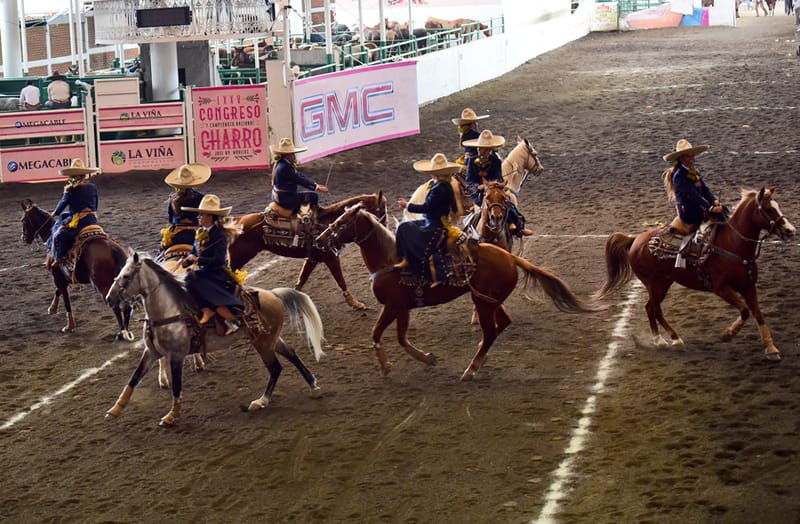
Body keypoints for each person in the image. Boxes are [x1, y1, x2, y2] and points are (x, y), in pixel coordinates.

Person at [181, 194, 243, 335]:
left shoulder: (220, 235)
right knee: (188, 278)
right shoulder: (200, 232)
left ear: (210, 216)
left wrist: (198, 260)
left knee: (191, 279)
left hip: (218, 273)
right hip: (205, 272)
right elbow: (193, 251)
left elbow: (219, 260)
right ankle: (206, 310)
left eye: (201, 215)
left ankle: (228, 318)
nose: (198, 217)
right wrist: (186, 261)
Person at [396, 153, 462, 284]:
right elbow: (454, 207)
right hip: (435, 221)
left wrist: (407, 205)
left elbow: (426, 207)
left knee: (403, 228)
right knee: (406, 227)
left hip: (433, 224)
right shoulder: (446, 186)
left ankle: (407, 259)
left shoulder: (439, 188)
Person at [463, 129, 533, 237]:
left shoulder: (496, 161)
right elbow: (469, 179)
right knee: (479, 210)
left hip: (494, 188)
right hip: (478, 191)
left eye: (481, 148)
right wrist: (478, 186)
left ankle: (518, 227)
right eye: (478, 147)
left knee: (508, 202)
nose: (478, 150)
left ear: (488, 150)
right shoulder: (472, 161)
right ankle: (469, 232)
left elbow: (499, 177)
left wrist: (494, 183)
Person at [662, 139, 725, 234]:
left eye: (692, 155)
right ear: (681, 158)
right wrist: (710, 208)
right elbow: (692, 196)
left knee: (723, 211)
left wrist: (713, 200)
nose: (692, 158)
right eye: (688, 156)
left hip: (698, 206)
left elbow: (704, 189)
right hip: (688, 211)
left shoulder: (694, 172)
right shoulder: (679, 176)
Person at [46, 159, 101, 268]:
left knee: (58, 236)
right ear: (84, 175)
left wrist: (54, 213)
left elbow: (63, 203)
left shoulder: (70, 189)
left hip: (78, 221)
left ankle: (57, 258)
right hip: (92, 219)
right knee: (64, 216)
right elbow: (95, 205)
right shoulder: (92, 187)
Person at [159, 163, 211, 253]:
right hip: (196, 235)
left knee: (160, 252)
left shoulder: (172, 199)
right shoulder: (201, 197)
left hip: (176, 235)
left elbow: (171, 220)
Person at [269, 137, 329, 213]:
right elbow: (299, 179)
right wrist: (317, 188)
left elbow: (298, 176)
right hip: (285, 198)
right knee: (313, 196)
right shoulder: (285, 167)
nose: (294, 156)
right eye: (292, 154)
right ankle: (312, 218)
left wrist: (316, 185)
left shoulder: (281, 163)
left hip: (278, 195)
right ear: (287, 155)